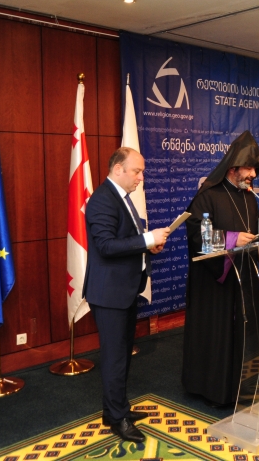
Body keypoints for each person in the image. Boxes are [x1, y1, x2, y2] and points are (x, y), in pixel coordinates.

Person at [83, 147, 170, 443]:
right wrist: (147, 238)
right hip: (109, 293)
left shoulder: (122, 197)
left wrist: (148, 246)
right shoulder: (101, 200)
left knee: (122, 355)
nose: (141, 177)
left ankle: (116, 410)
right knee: (114, 358)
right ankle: (117, 418)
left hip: (125, 289)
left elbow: (126, 241)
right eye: (137, 171)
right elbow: (106, 246)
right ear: (118, 169)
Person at [182, 130, 259, 408]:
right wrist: (231, 239)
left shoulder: (249, 197)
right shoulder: (208, 196)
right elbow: (196, 235)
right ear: (233, 168)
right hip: (214, 283)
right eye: (249, 168)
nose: (253, 174)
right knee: (216, 334)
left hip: (242, 278)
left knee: (242, 333)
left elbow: (254, 233)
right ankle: (211, 389)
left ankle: (241, 384)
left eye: (255, 169)